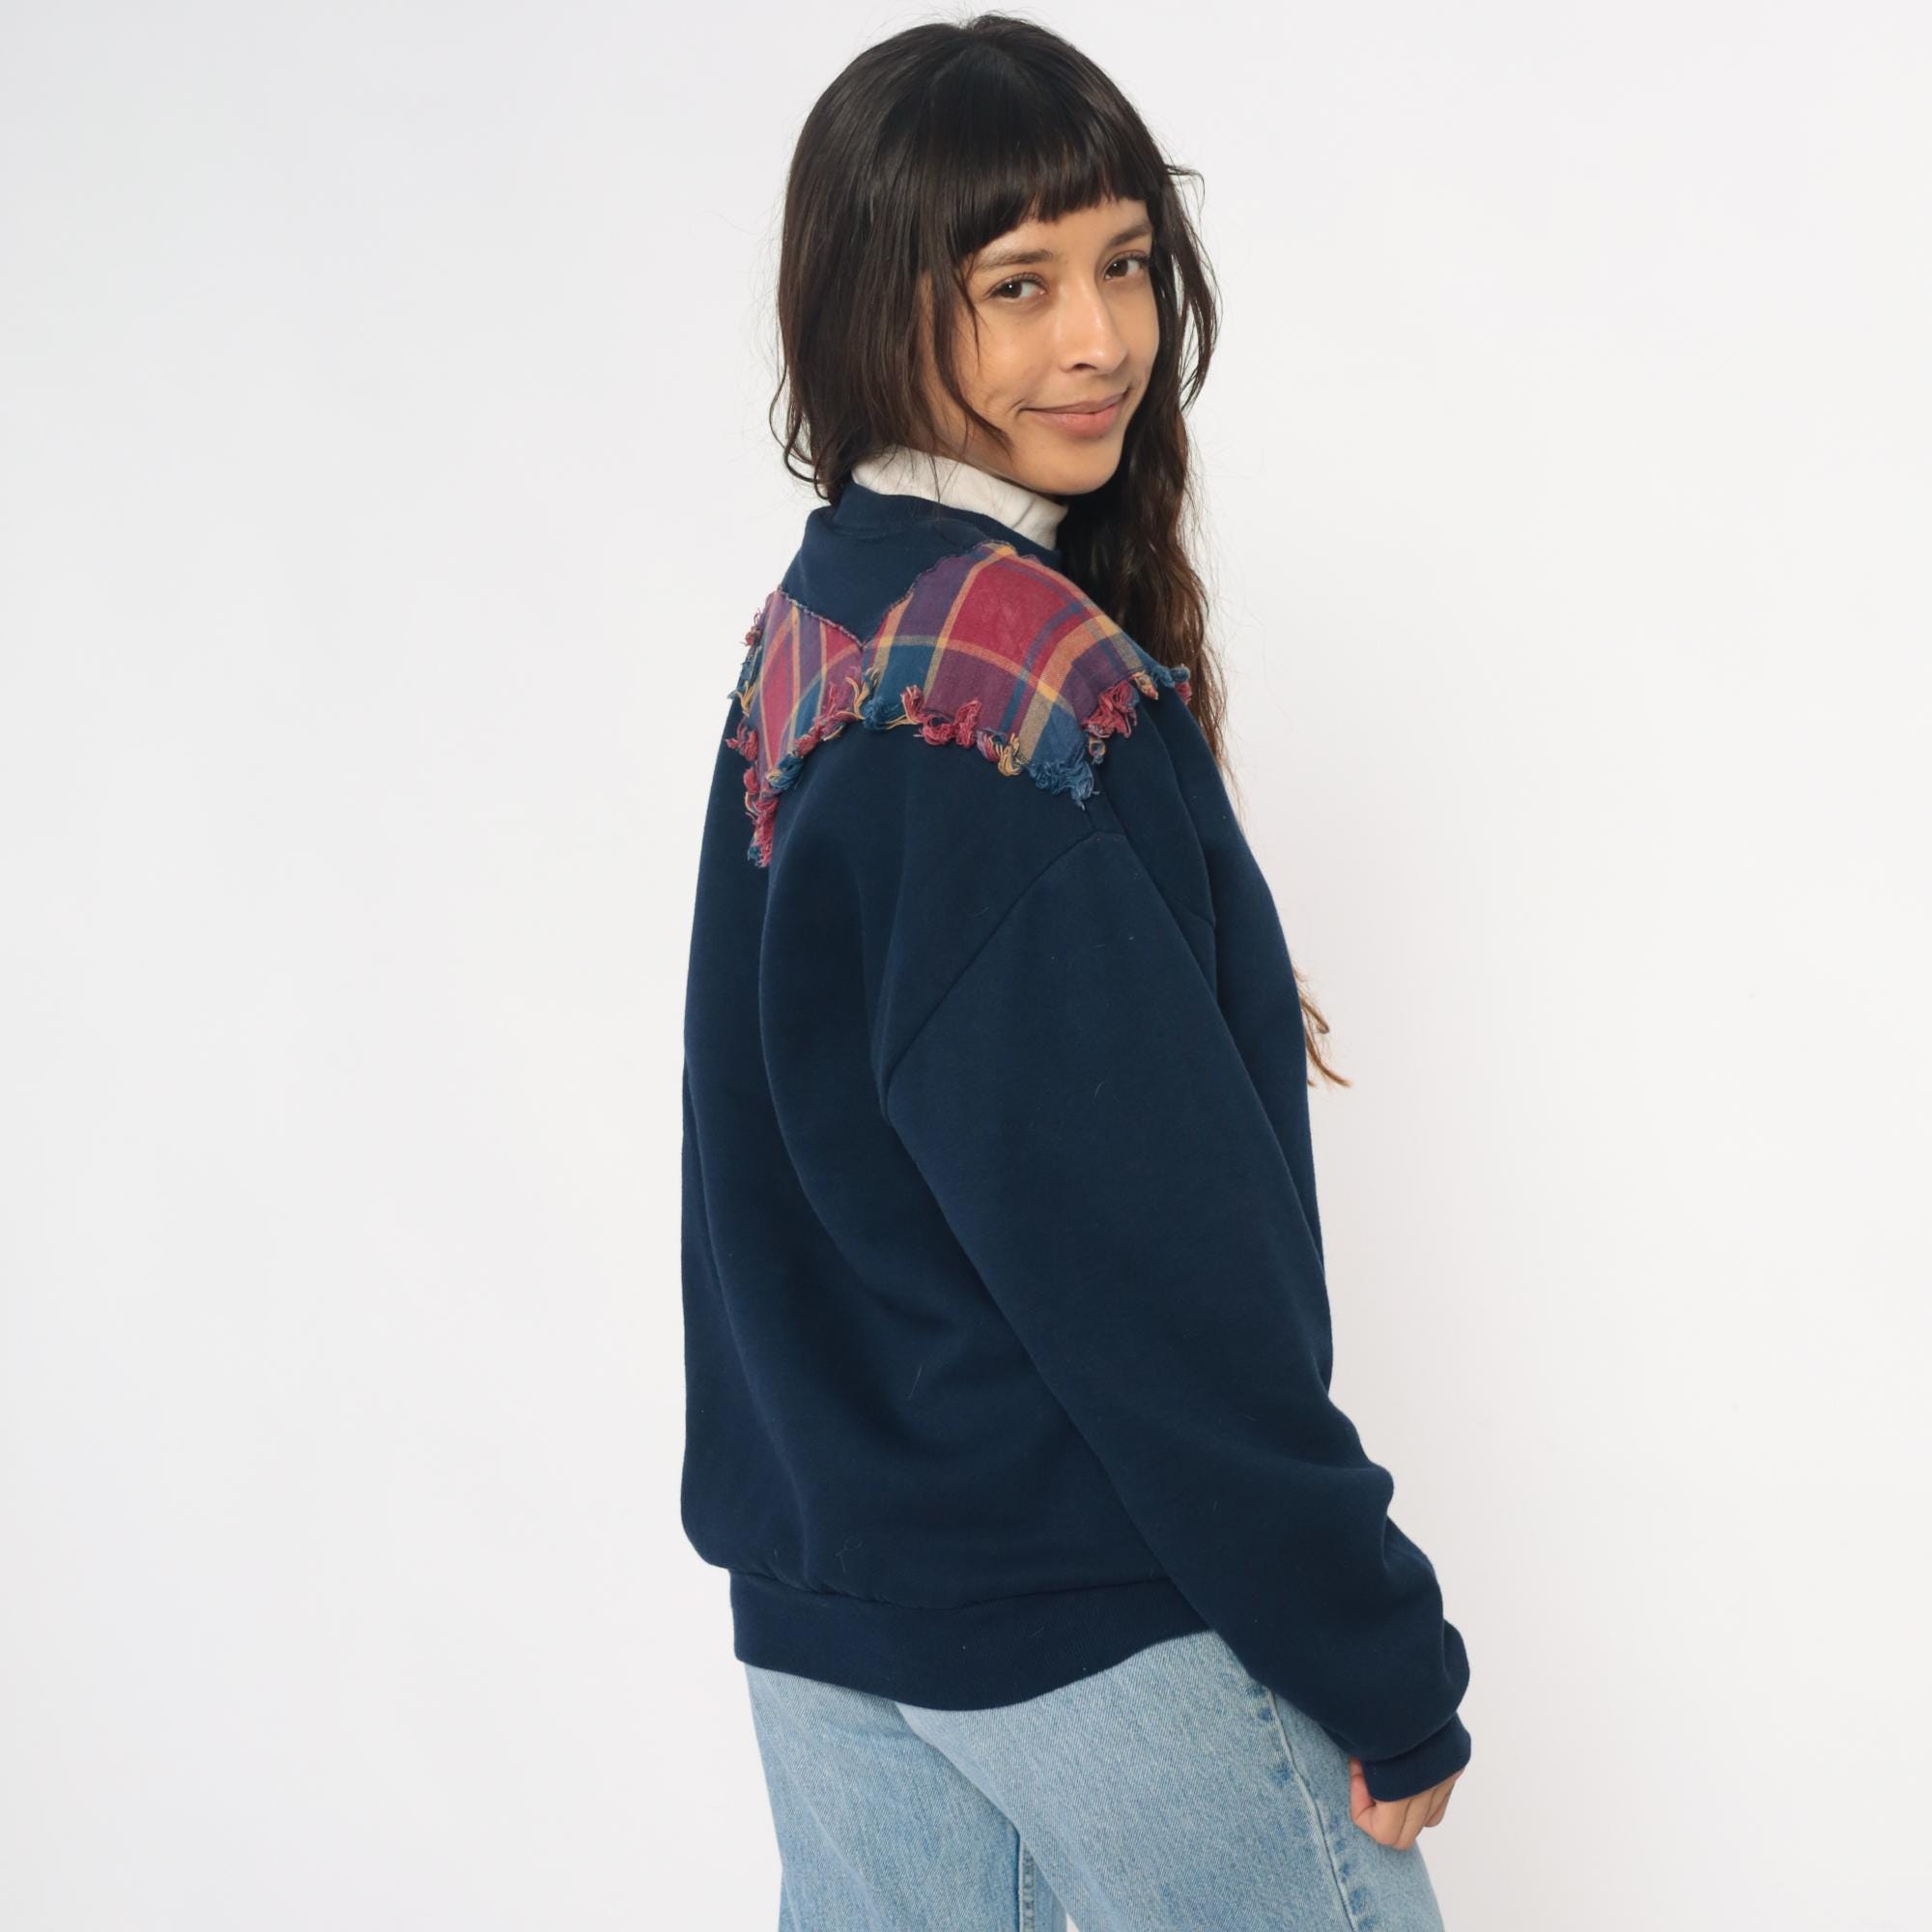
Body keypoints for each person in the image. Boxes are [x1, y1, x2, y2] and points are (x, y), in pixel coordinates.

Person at [679, 15, 1472, 1928]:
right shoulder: (1005, 702)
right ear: (874, 301)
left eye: (1124, 264)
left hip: (840, 1618)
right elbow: (1147, 1265)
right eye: (1018, 285)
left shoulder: (826, 622)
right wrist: (1374, 1645)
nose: (1101, 338)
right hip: (1097, 1627)